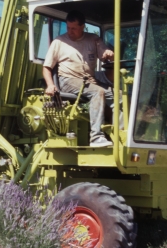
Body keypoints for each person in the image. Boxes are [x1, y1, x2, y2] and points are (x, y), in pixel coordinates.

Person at [42, 10, 115, 147]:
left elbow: (106, 54)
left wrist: (110, 54)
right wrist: (50, 85)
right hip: (68, 80)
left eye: (74, 28)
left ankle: (119, 134)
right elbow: (46, 67)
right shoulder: (59, 42)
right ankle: (95, 137)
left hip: (89, 81)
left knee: (119, 96)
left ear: (83, 27)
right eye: (68, 28)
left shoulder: (93, 39)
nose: (70, 31)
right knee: (98, 92)